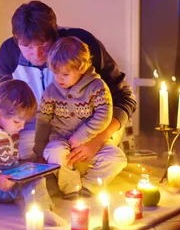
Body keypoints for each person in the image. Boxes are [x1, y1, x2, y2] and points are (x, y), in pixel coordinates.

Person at [0, 1, 137, 164]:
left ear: (55, 34)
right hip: (38, 130)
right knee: (15, 161)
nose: (37, 54)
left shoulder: (81, 46)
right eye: (27, 47)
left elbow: (125, 98)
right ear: (16, 40)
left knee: (105, 161)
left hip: (93, 126)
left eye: (43, 45)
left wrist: (97, 141)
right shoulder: (8, 53)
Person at [0, 79, 65, 226]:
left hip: (8, 172)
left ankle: (28, 203)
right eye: (17, 122)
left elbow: (9, 159)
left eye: (24, 123)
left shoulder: (7, 126)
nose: (21, 127)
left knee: (39, 176)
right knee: (33, 182)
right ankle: (41, 211)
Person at [33, 37, 127, 199]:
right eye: (55, 73)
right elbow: (43, 121)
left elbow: (104, 115)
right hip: (61, 140)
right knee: (54, 153)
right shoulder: (51, 91)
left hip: (92, 142)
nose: (59, 79)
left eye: (65, 74)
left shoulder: (97, 87)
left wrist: (83, 136)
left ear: (82, 68)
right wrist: (39, 148)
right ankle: (71, 186)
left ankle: (89, 184)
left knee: (117, 158)